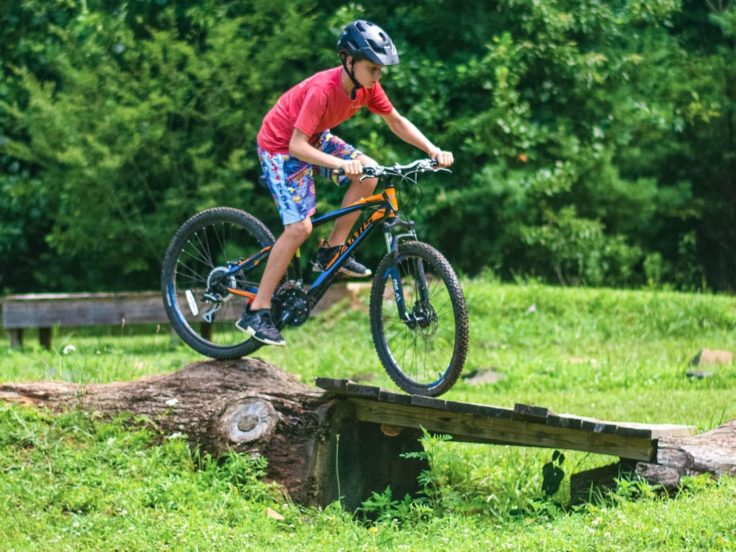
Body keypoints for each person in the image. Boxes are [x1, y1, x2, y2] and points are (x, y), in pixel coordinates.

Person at [236, 19, 454, 346]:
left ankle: (332, 251)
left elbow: (395, 120)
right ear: (348, 61)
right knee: (299, 229)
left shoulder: (367, 87)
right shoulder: (321, 91)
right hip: (280, 147)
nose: (378, 75)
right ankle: (258, 309)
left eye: (381, 69)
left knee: (369, 172)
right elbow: (297, 147)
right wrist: (341, 164)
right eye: (372, 68)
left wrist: (432, 149)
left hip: (315, 138)